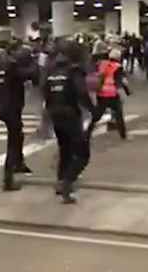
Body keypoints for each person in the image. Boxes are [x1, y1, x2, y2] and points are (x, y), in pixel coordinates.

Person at [44, 42, 95, 204]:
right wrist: (93, 109)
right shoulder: (74, 71)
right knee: (82, 154)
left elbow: (45, 93)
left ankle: (60, 182)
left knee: (65, 149)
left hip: (55, 114)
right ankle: (67, 182)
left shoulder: (51, 71)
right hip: (70, 114)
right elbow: (81, 92)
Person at [0, 42, 36, 191]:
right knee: (14, 139)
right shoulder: (11, 65)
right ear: (14, 51)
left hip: (2, 105)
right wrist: (34, 63)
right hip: (11, 107)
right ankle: (8, 179)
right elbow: (28, 74)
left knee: (18, 134)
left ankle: (18, 163)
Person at [86, 49, 131, 140]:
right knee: (119, 115)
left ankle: (87, 134)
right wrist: (127, 91)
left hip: (101, 94)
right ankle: (123, 136)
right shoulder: (118, 67)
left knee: (97, 116)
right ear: (118, 57)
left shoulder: (102, 64)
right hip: (112, 94)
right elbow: (122, 81)